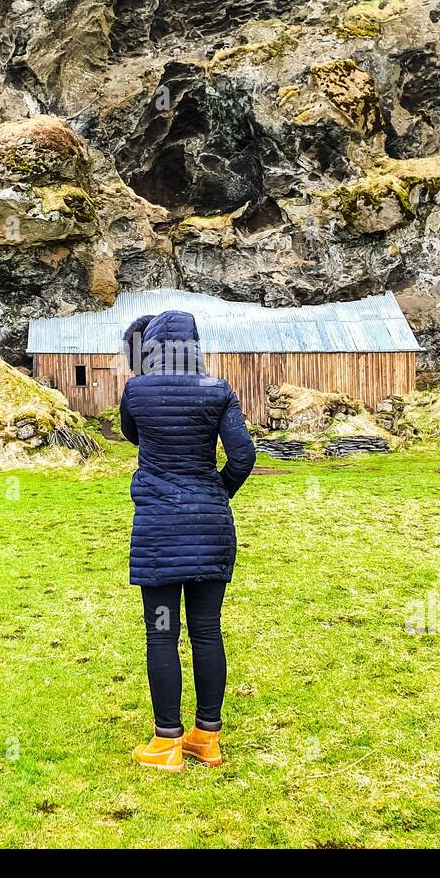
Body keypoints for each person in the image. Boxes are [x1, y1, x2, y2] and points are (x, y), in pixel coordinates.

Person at [118, 310, 257, 772]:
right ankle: (207, 738)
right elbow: (243, 457)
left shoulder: (136, 391)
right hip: (211, 526)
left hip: (159, 529)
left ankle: (166, 743)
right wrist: (215, 494)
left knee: (161, 634)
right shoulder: (218, 390)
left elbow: (131, 434)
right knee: (206, 631)